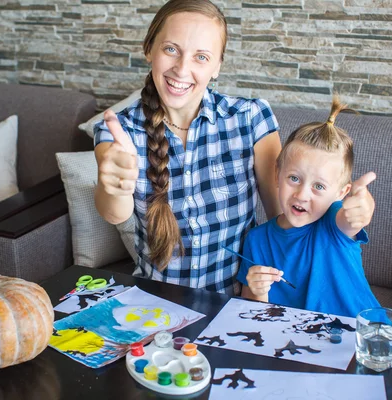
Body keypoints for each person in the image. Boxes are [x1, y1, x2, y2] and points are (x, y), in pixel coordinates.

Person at [93, 0, 282, 295]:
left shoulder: (250, 119)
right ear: (149, 49)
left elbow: (283, 216)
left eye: (201, 57)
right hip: (156, 306)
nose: (182, 69)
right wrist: (115, 187)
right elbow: (114, 213)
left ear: (217, 66)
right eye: (171, 49)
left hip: (237, 304)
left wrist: (339, 217)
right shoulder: (120, 130)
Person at [237, 97, 381, 317]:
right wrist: (257, 292)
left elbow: (350, 221)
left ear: (341, 193)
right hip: (301, 342)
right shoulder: (256, 240)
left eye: (319, 186)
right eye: (294, 178)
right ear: (277, 174)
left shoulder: (334, 220)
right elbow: (252, 309)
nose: (302, 194)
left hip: (363, 337)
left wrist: (361, 209)